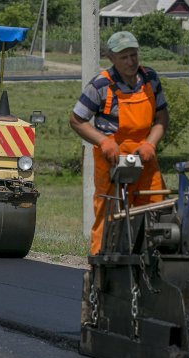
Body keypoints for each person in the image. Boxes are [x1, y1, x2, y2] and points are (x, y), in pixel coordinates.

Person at [69, 31, 169, 255]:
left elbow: (162, 118)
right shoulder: (100, 85)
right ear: (112, 58)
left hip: (144, 156)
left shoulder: (150, 79)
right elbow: (76, 120)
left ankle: (154, 264)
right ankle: (100, 267)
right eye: (124, 57)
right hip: (111, 159)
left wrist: (150, 144)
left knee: (157, 207)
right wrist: (104, 142)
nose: (131, 61)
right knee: (109, 213)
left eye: (134, 55)